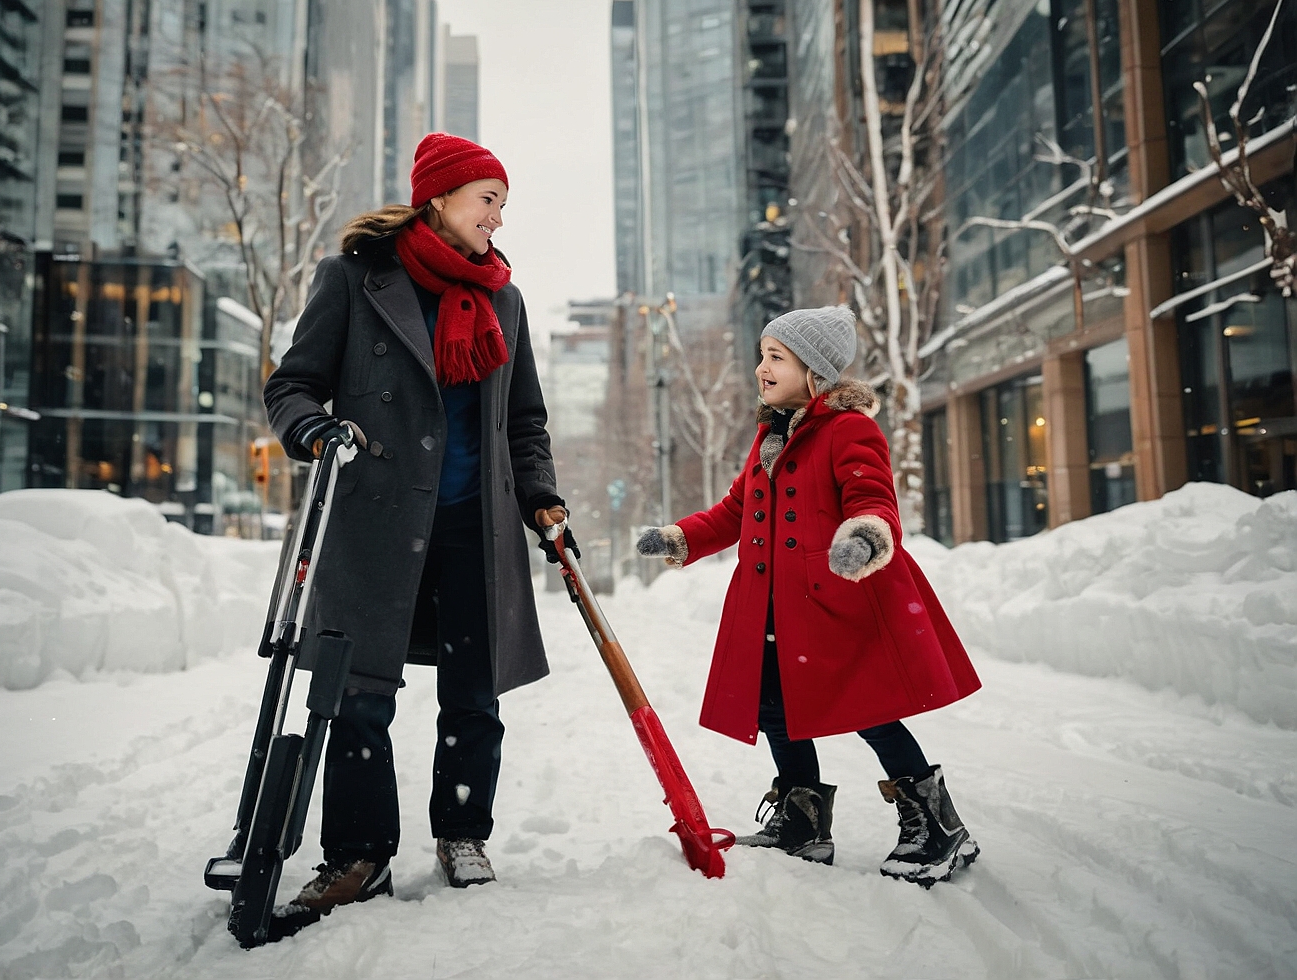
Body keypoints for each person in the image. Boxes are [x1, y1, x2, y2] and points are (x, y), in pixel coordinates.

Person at [262, 132, 577, 916]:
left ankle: (462, 832)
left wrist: (541, 495)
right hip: (373, 521)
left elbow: (524, 420)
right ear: (439, 196)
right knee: (361, 695)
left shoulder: (503, 298)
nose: (498, 219)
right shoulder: (354, 279)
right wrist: (313, 431)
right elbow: (293, 386)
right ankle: (360, 855)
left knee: (474, 695)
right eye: (488, 201)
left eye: (503, 204)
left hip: (476, 524)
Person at [635, 305, 981, 886]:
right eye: (762, 355)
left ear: (813, 370)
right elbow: (734, 513)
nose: (761, 368)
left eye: (776, 357)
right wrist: (679, 537)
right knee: (777, 711)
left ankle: (938, 826)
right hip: (773, 606)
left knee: (870, 713)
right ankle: (803, 822)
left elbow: (874, 499)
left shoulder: (850, 429)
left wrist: (865, 538)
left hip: (837, 603)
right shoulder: (768, 436)